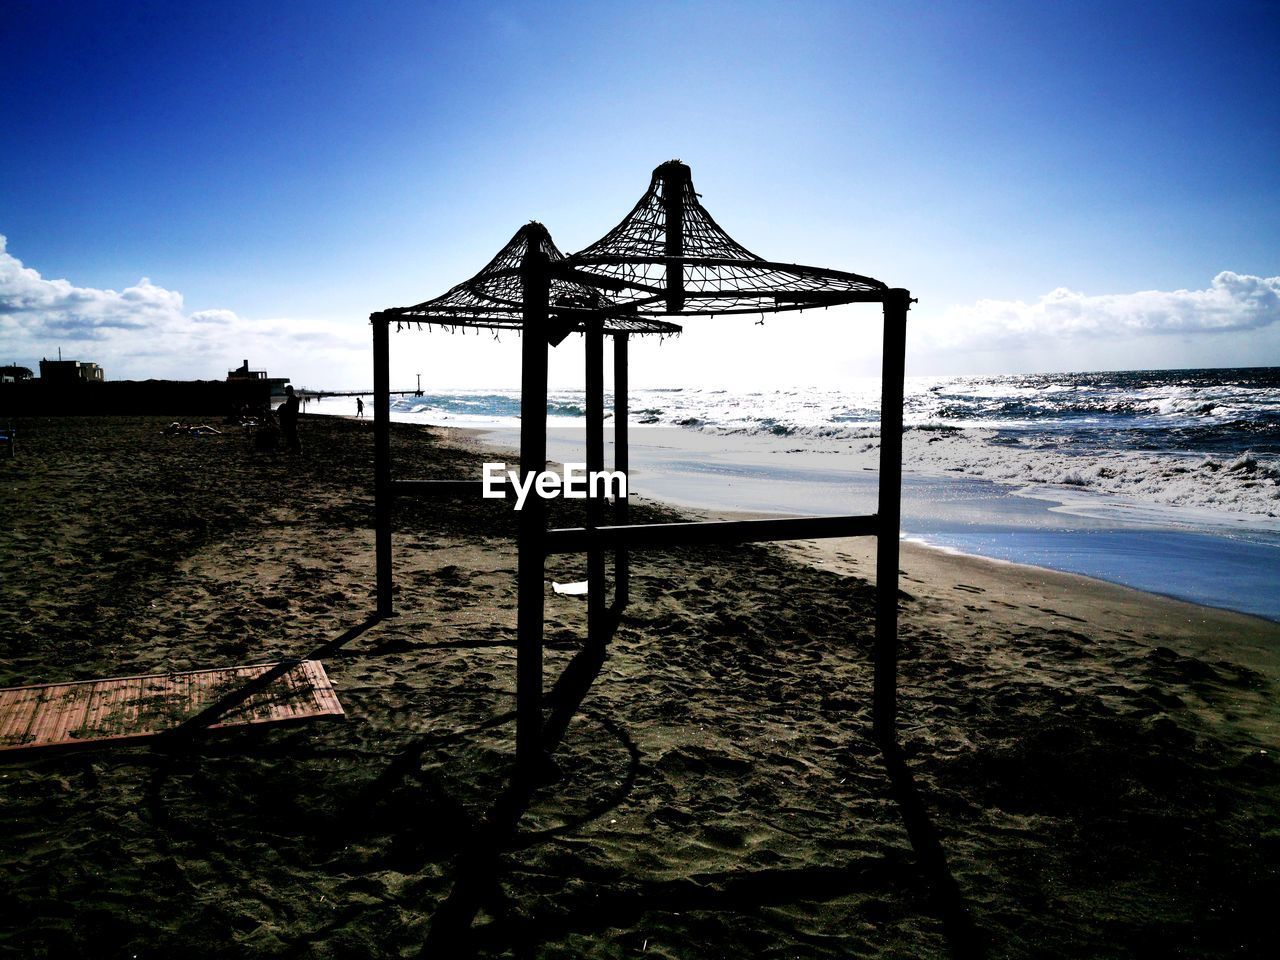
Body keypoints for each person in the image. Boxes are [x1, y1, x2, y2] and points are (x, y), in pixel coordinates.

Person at [279, 385, 302, 452]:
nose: (285, 392)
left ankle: (297, 449)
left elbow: (290, 410)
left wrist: (283, 407)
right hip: (292, 419)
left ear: (289, 391)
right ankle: (295, 448)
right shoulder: (293, 398)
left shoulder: (292, 399)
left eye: (286, 391)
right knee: (292, 434)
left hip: (291, 419)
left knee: (292, 434)